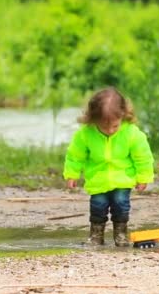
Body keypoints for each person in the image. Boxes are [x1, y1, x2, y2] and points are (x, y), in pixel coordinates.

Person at [64, 87, 154, 247]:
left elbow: (143, 157)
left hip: (123, 179)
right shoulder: (85, 134)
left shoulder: (131, 133)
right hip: (98, 179)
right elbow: (75, 155)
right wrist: (72, 173)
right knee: (98, 206)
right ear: (93, 119)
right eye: (104, 127)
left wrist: (143, 177)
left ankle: (120, 234)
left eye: (115, 126)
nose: (110, 130)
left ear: (123, 115)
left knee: (121, 204)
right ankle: (96, 235)